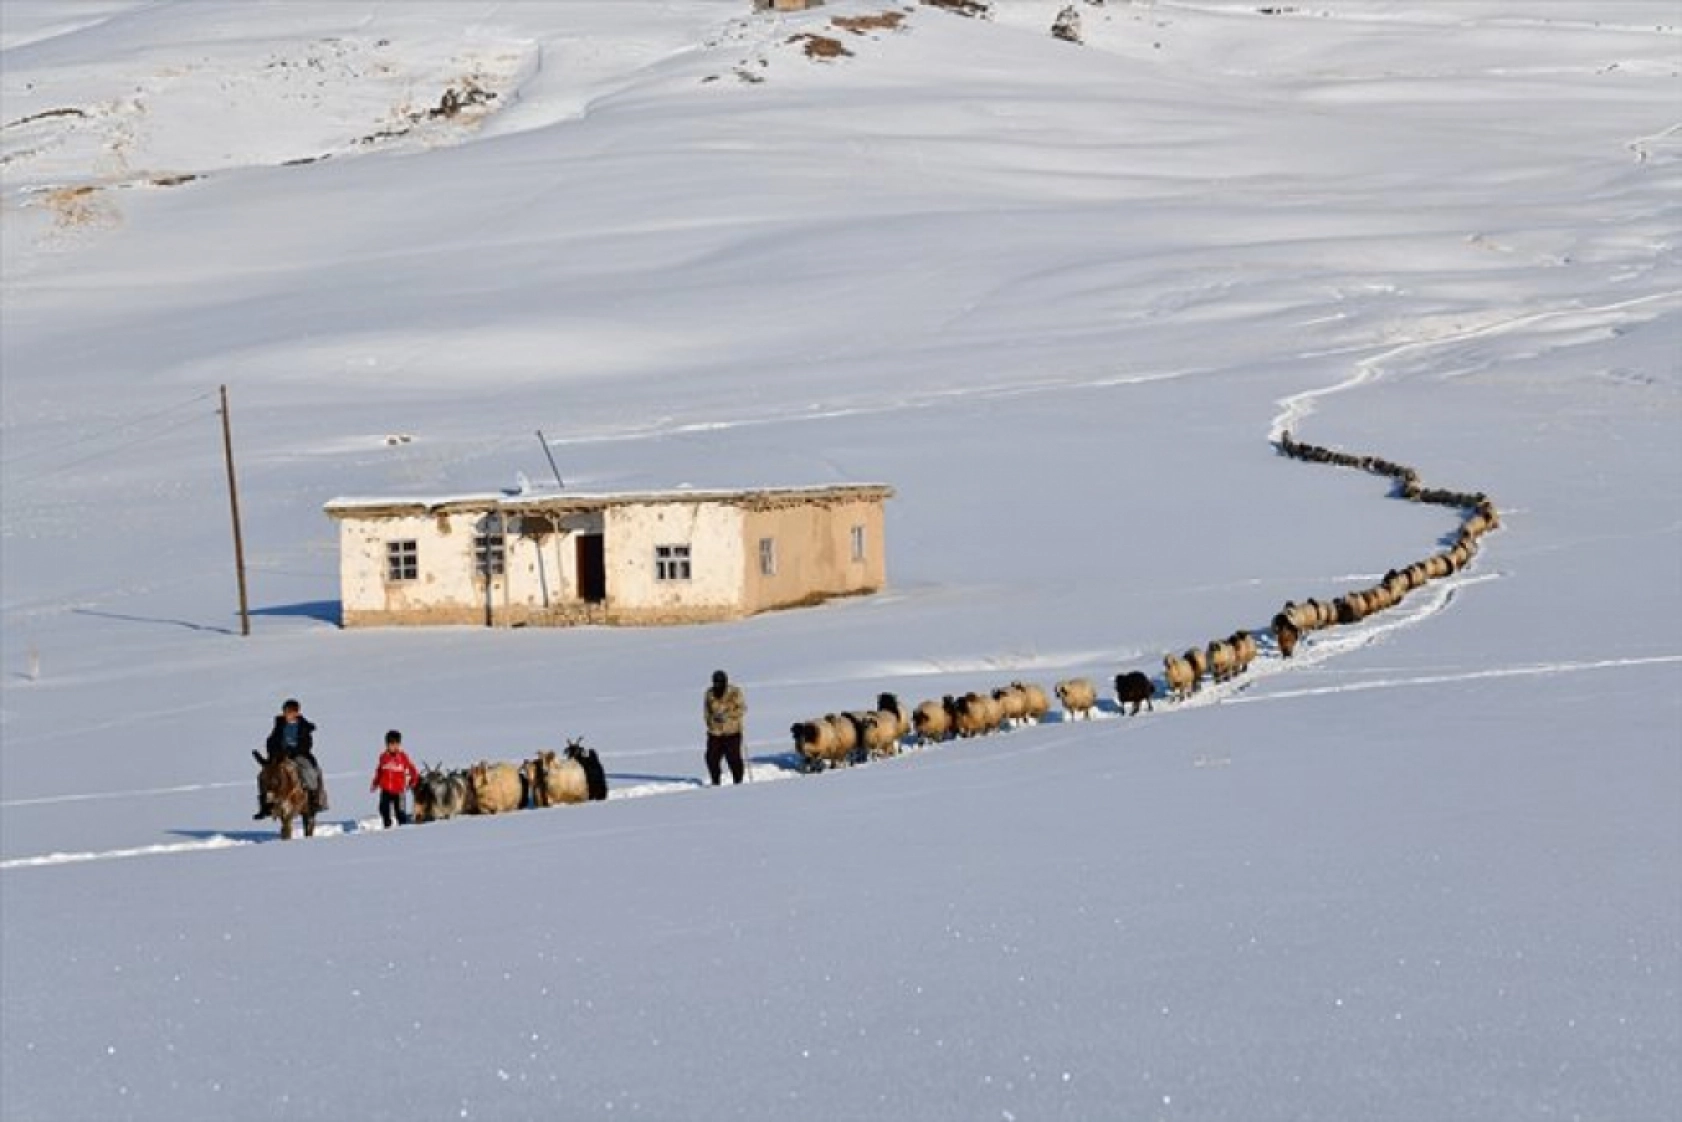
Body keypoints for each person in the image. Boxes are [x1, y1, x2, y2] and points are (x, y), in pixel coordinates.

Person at [256, 698, 327, 818]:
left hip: (299, 755)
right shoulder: (279, 725)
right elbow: (271, 740)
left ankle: (313, 801)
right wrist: (274, 750)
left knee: (309, 771)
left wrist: (294, 751)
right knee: (264, 775)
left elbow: (307, 744)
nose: (287, 715)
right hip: (279, 756)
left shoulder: (304, 727)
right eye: (285, 712)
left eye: (290, 712)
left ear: (297, 713)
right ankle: (266, 805)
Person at [703, 669, 746, 785]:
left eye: (720, 682)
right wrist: (711, 721)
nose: (717, 685)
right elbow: (707, 712)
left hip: (732, 731)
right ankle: (715, 781)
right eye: (715, 682)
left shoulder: (735, 692)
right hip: (715, 732)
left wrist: (728, 715)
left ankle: (738, 781)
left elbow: (742, 709)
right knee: (711, 758)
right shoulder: (709, 693)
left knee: (733, 759)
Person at [370, 730, 419, 828]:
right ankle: (387, 826)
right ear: (387, 745)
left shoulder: (402, 757)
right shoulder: (383, 757)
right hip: (385, 789)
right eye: (391, 744)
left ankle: (403, 827)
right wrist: (375, 783)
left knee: (400, 812)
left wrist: (413, 780)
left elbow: (412, 769)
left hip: (399, 791)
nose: (394, 747)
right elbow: (379, 771)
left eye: (397, 744)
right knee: (384, 809)